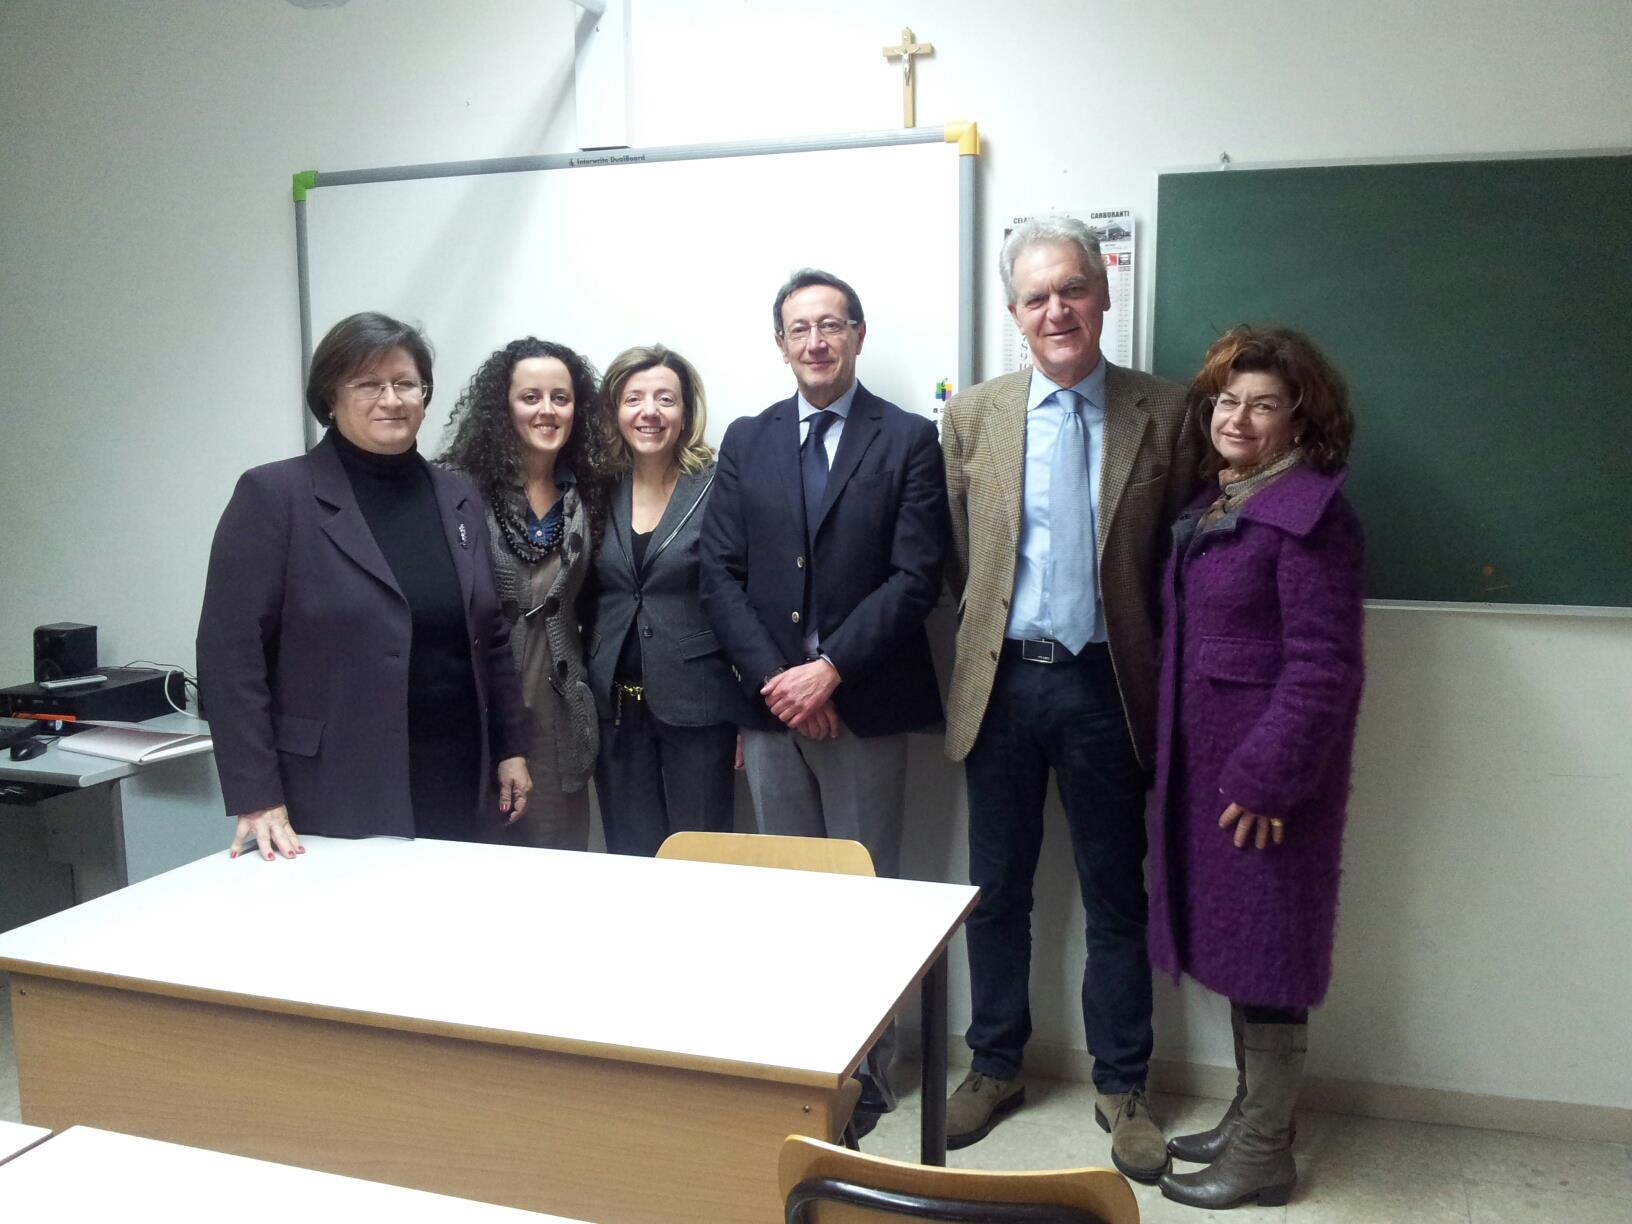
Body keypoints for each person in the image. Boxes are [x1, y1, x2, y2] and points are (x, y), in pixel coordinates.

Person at [940, 218, 1202, 1180]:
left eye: (1073, 290)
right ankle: (995, 1065)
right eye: (1037, 296)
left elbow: (1179, 559)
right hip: (1003, 684)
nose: (1057, 310)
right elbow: (964, 555)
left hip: (1108, 686)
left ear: (1103, 294)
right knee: (996, 892)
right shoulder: (973, 416)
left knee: (1114, 896)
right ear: (1014, 313)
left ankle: (1123, 1085)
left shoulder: (1166, 413)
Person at [699, 268, 949, 1125]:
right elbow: (719, 573)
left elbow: (917, 576)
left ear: (858, 335)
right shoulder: (748, 439)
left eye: (831, 325)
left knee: (865, 894)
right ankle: (804, 1056)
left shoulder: (908, 439)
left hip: (865, 706)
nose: (816, 342)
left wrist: (831, 669)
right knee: (791, 897)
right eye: (799, 329)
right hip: (773, 713)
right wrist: (785, 684)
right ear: (780, 345)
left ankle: (871, 1068)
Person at [1150, 326, 1364, 1210]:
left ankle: (1266, 1153)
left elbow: (1325, 665)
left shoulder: (1311, 515)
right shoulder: (1220, 501)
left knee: (1270, 957)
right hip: (1214, 775)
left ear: (1300, 420)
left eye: (1263, 404)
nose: (1237, 418)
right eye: (1226, 401)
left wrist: (1270, 778)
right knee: (1241, 949)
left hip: (1266, 789)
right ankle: (1250, 1118)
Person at [197, 311, 531, 860]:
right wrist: (257, 795)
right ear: (331, 396)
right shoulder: (275, 496)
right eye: (368, 384)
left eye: (405, 383)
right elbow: (229, 655)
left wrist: (510, 748)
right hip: (332, 786)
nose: (391, 399)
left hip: (456, 771)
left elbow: (489, 632)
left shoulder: (458, 496)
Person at [440, 337, 607, 850]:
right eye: (530, 397)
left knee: (559, 858)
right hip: (479, 705)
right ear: (502, 406)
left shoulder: (591, 492)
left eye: (561, 398)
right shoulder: (456, 490)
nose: (547, 410)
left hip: (559, 713)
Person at [581, 344, 748, 856]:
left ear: (686, 411)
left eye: (665, 399)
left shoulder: (718, 485)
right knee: (629, 856)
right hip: (614, 708)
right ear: (615, 410)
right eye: (633, 399)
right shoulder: (595, 488)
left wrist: (747, 712)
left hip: (699, 705)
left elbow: (744, 594)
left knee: (701, 855)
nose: (649, 412)